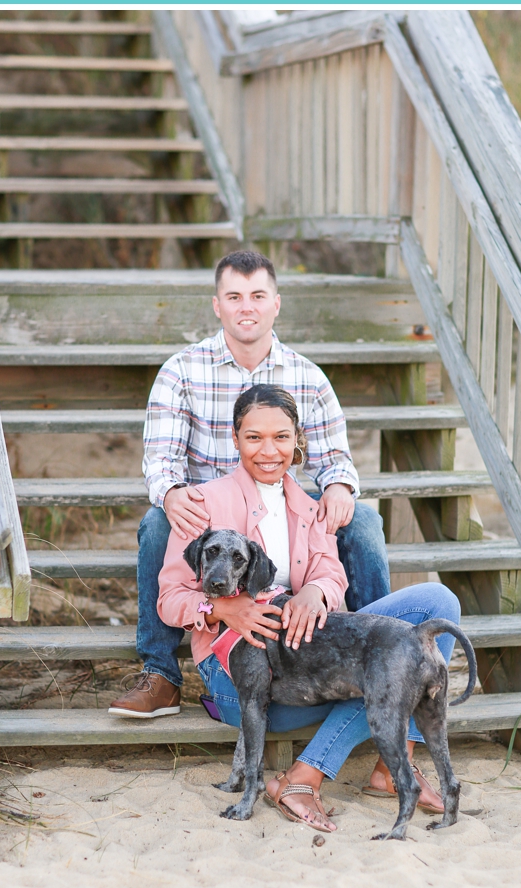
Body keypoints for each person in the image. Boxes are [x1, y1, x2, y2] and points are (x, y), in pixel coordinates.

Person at [156, 385, 459, 831]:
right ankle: (310, 774)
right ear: (235, 438)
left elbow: (332, 575)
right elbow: (169, 600)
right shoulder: (205, 503)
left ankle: (386, 765)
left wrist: (314, 593)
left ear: (298, 439)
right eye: (254, 437)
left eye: (281, 437)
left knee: (438, 604)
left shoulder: (310, 507)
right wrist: (224, 611)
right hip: (238, 681)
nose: (268, 450)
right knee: (382, 670)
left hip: (306, 667)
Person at [108, 250, 390, 720]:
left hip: (279, 503)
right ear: (217, 305)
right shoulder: (181, 371)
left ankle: (380, 649)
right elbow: (160, 459)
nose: (246, 307)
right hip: (207, 516)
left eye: (257, 295)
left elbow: (334, 457)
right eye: (234, 296)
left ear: (275, 303)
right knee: (158, 521)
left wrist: (339, 485)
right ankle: (161, 673)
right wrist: (175, 493)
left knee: (362, 520)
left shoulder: (306, 377)